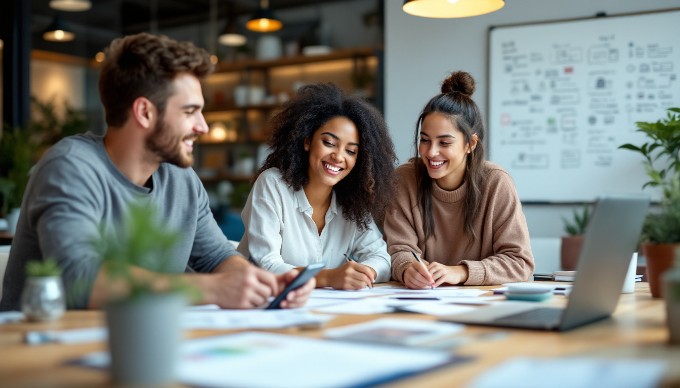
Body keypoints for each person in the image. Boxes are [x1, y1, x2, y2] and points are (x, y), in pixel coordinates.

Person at [0, 33, 314, 311]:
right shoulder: (70, 166)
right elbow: (78, 278)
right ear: (145, 112)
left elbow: (217, 257)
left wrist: (261, 284)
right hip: (43, 355)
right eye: (190, 111)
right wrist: (213, 289)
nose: (203, 127)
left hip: (139, 344)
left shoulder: (181, 178)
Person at [237, 83, 397, 290]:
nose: (338, 156)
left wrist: (365, 272)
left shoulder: (352, 201)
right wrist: (328, 277)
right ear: (307, 141)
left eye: (351, 151)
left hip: (320, 310)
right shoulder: (273, 184)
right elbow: (266, 264)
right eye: (329, 143)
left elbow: (381, 258)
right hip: (257, 303)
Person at [384, 71, 534, 289]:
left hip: (482, 306)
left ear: (470, 144)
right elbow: (399, 251)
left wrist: (461, 272)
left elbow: (520, 262)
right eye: (425, 140)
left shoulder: (496, 182)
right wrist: (407, 268)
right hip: (421, 302)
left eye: (444, 143)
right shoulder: (404, 180)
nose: (431, 152)